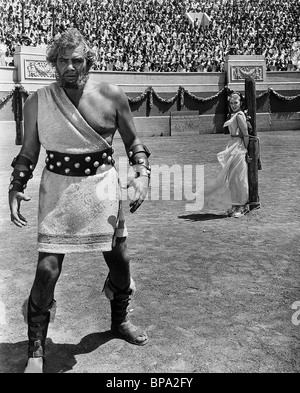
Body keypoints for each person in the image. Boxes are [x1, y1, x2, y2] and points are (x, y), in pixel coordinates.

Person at [8, 28, 151, 373]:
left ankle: (120, 320)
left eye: (77, 60)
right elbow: (29, 150)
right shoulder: (37, 101)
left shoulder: (111, 95)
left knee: (120, 261)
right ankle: (36, 349)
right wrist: (16, 185)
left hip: (102, 186)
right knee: (47, 269)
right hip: (57, 188)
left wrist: (143, 175)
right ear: (52, 64)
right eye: (62, 60)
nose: (70, 66)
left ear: (89, 60)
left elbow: (134, 144)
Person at [201, 92, 250, 218]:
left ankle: (243, 205)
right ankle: (234, 205)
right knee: (232, 178)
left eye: (236, 103)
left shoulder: (239, 115)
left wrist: (246, 149)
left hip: (239, 146)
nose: (233, 105)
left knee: (240, 177)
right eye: (232, 103)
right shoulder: (233, 114)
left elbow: (245, 134)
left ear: (241, 103)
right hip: (233, 144)